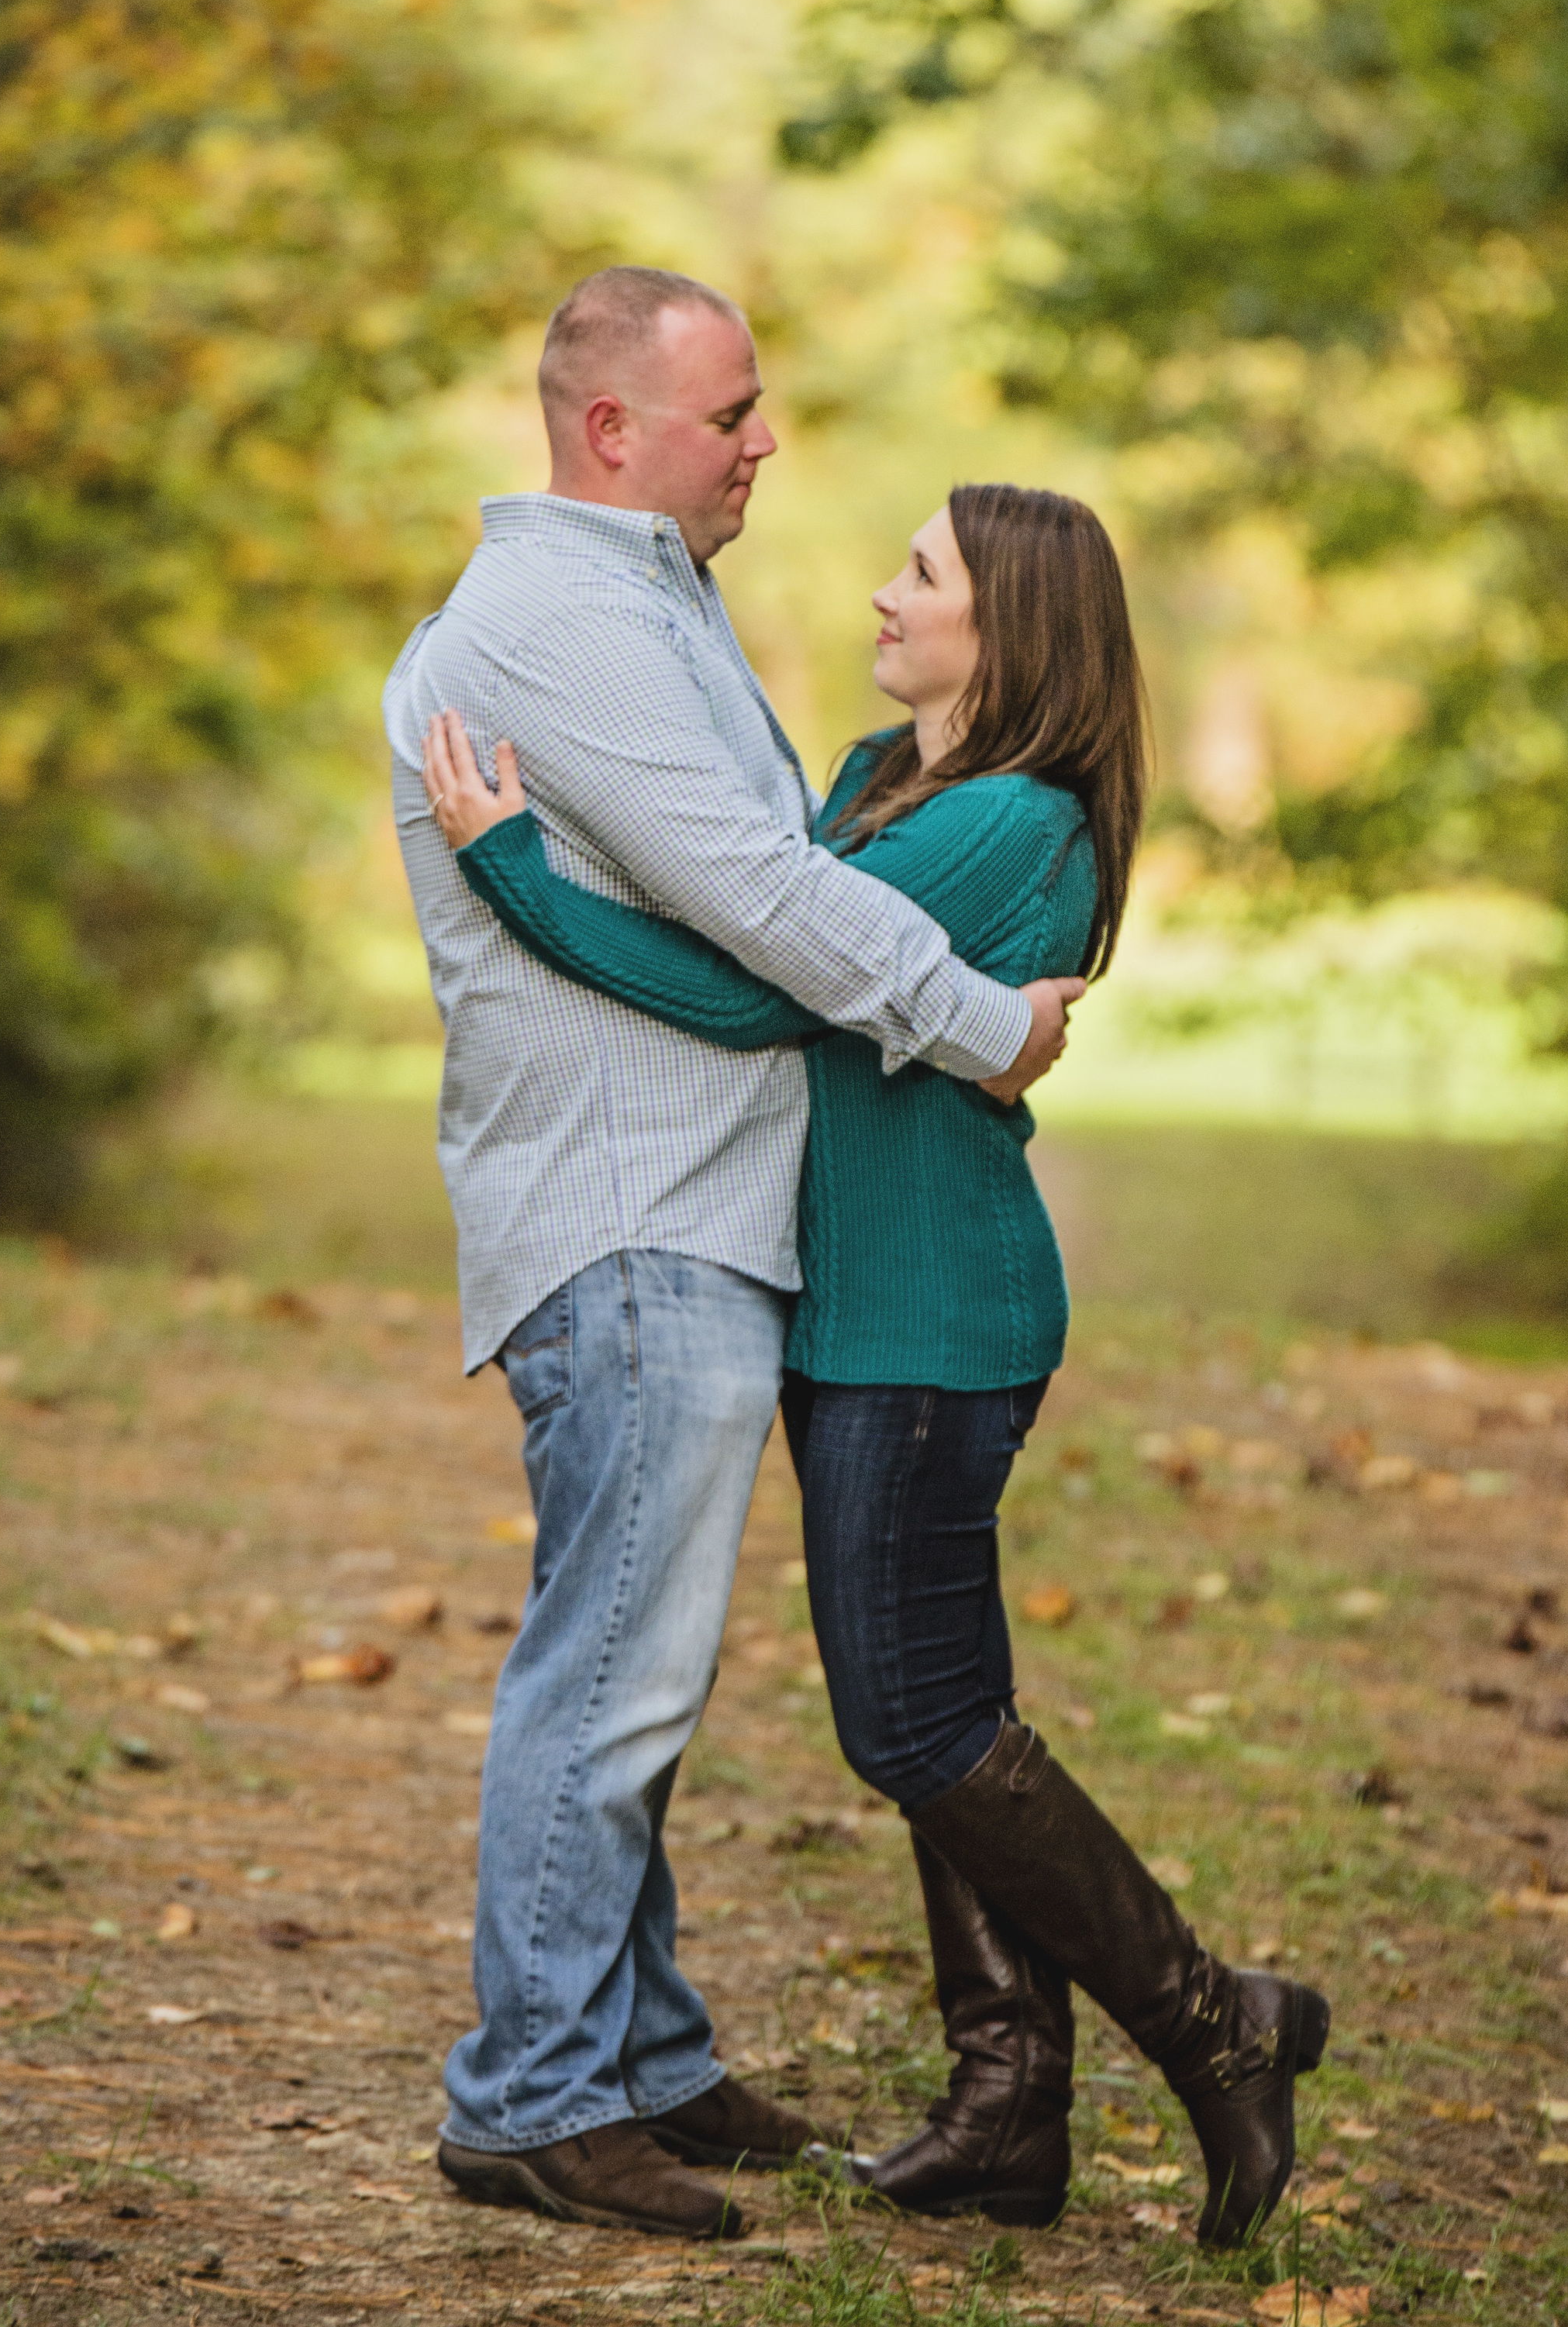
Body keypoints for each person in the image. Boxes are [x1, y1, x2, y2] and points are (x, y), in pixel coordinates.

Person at [420, 479, 1332, 2250]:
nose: (876, 593)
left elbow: (766, 988)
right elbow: (775, 933)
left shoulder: (1011, 818)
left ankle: (1218, 2021)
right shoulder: (870, 780)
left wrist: (513, 874)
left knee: (908, 1719)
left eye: (919, 574)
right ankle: (1006, 2109)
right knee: (950, 1714)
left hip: (931, 1316)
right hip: (855, 1315)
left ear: (1013, 628)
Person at [382, 267, 1082, 2243]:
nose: (766, 443)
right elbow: (771, 905)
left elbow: (731, 904)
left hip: (681, 1205)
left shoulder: (637, 595)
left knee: (641, 1659)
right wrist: (981, 1019)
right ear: (612, 432)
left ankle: (642, 2052)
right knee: (607, 1669)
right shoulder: (553, 623)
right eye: (732, 414)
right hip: (627, 1216)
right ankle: (530, 2099)